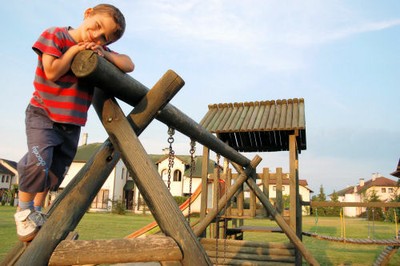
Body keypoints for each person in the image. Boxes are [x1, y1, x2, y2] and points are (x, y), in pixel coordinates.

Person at [15, 3, 134, 242]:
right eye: (97, 27)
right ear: (87, 14)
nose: (97, 36)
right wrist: (74, 51)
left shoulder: (97, 50)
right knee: (39, 163)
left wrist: (104, 54)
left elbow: (129, 64)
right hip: (44, 113)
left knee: (55, 171)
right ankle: (24, 211)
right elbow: (52, 71)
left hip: (72, 122)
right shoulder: (56, 35)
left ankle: (38, 211)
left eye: (104, 38)